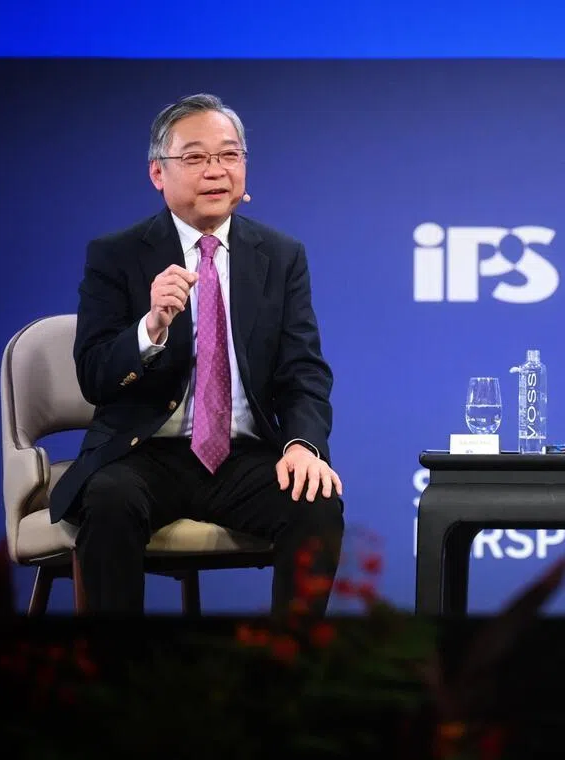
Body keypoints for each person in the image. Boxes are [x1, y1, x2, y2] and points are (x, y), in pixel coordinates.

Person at [49, 93, 344, 615]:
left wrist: (302, 445)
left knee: (314, 502)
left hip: (243, 456)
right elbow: (95, 376)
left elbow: (303, 372)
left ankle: (290, 680)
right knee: (109, 501)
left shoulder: (280, 255)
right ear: (158, 174)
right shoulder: (116, 255)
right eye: (196, 157)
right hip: (143, 454)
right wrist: (150, 327)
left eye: (229, 156)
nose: (216, 171)